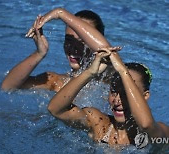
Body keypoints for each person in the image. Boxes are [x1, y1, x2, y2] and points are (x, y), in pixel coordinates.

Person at [46, 9, 169, 146]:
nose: (117, 100)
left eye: (125, 92)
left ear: (145, 96)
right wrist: (89, 73)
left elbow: (146, 124)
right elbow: (55, 109)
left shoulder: (160, 134)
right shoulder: (100, 124)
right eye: (114, 91)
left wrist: (123, 71)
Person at [1, 8, 109, 92]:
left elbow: (108, 50)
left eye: (82, 41)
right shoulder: (58, 82)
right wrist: (39, 53)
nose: (73, 48)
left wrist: (59, 13)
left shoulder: (112, 81)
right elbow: (7, 87)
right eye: (69, 40)